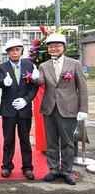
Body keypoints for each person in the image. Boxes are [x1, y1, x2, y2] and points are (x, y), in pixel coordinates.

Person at [36, 32, 89, 185]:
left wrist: (83, 109)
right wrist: (33, 78)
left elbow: (83, 88)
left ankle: (67, 170)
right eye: (50, 46)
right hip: (49, 108)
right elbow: (40, 81)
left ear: (63, 47)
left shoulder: (74, 64)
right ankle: (53, 168)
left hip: (68, 108)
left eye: (57, 46)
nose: (54, 48)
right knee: (51, 141)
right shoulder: (43, 66)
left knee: (67, 142)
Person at [0, 38, 38, 180]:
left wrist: (26, 100)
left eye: (17, 50)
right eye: (11, 50)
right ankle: (6, 166)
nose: (15, 53)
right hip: (8, 109)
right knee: (8, 139)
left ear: (21, 51)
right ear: (7, 53)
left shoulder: (30, 66)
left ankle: (27, 167)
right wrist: (4, 82)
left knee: (25, 139)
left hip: (24, 109)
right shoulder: (2, 67)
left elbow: (34, 87)